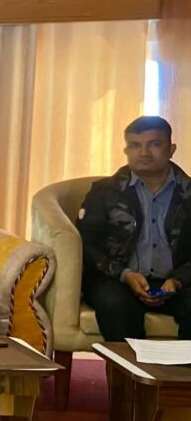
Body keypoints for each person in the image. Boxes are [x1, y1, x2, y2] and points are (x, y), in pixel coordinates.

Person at [79, 116, 191, 341]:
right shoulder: (105, 192)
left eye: (154, 144)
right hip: (117, 279)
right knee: (113, 304)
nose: (144, 153)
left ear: (171, 149)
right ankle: (128, 366)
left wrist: (177, 280)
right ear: (126, 150)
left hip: (177, 281)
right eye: (135, 145)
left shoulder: (188, 194)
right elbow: (86, 244)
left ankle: (181, 365)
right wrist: (125, 274)